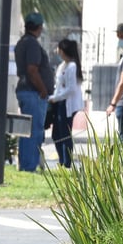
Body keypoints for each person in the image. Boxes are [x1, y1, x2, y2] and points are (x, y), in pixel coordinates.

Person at [14, 12, 54, 172]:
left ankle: (26, 164)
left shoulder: (22, 42)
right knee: (34, 131)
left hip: (27, 91)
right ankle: (29, 166)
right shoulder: (31, 44)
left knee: (26, 130)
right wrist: (43, 89)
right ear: (39, 27)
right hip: (33, 93)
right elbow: (32, 69)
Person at [48, 39, 84, 167]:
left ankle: (66, 163)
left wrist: (56, 98)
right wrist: (54, 97)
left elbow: (70, 89)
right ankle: (62, 159)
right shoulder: (63, 65)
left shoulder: (72, 66)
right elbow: (60, 86)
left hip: (66, 104)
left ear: (62, 50)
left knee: (64, 133)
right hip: (59, 102)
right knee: (56, 133)